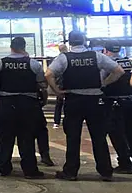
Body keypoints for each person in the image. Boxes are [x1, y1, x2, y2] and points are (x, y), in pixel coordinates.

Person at [46, 30, 124, 181]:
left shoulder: (64, 58)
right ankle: (106, 171)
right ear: (83, 41)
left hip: (74, 99)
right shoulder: (96, 56)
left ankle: (71, 171)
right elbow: (118, 71)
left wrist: (57, 91)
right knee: (99, 136)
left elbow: (49, 74)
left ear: (70, 42)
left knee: (73, 137)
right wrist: (103, 83)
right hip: (95, 100)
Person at [0, 37, 46, 179]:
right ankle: (30, 170)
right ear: (24, 47)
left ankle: (4, 167)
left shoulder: (1, 63)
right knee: (27, 137)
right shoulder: (34, 64)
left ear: (11, 47)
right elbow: (43, 85)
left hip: (7, 104)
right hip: (27, 104)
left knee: (5, 136)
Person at [100, 44, 132, 174]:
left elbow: (101, 80)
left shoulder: (109, 64)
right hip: (129, 101)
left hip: (113, 102)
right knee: (129, 131)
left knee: (116, 133)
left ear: (106, 51)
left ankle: (125, 162)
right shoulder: (127, 61)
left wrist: (103, 85)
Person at [52, 44, 68, 129]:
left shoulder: (56, 59)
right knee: (68, 103)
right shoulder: (69, 58)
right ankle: (67, 120)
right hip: (68, 84)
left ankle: (56, 122)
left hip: (59, 84)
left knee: (58, 103)